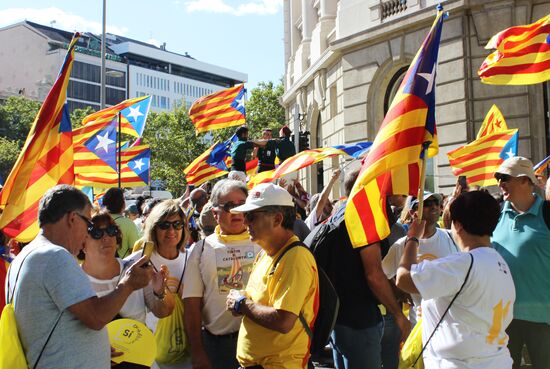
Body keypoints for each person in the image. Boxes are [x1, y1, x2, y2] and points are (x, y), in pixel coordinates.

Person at [6, 185, 152, 369]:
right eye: (89, 225)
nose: (87, 234)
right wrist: (128, 284)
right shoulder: (54, 256)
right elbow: (96, 317)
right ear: (72, 218)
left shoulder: (26, 255)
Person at [396, 190, 515, 369]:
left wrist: (412, 238)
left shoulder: (462, 263)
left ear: (458, 225)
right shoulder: (500, 262)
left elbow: (404, 279)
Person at [323, 169, 410, 369]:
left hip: (339, 319)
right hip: (360, 322)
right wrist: (398, 314)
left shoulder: (339, 215)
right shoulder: (362, 218)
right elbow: (374, 275)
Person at [227, 183, 319, 369]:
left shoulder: (295, 257)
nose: (245, 223)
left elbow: (284, 321)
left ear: (277, 219)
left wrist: (242, 304)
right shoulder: (265, 253)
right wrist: (242, 302)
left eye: (251, 216)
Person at [183, 179, 261, 369]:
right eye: (228, 206)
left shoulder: (264, 243)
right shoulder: (201, 250)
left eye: (241, 204)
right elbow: (191, 304)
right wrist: (198, 351)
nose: (235, 211)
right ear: (215, 213)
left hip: (260, 343)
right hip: (218, 347)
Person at [491, 156, 550, 369]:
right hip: (503, 319)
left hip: (543, 319)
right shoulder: (495, 215)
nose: (500, 184)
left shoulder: (547, 213)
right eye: (498, 178)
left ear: (526, 180)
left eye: (505, 177)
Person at [128, 199, 192, 369]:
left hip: (187, 350)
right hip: (149, 352)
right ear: (153, 228)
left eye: (177, 224)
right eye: (164, 225)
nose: (171, 230)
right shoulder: (139, 261)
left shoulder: (192, 258)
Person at [82, 211, 174, 324]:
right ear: (82, 243)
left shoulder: (135, 270)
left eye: (111, 231)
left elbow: (164, 312)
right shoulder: (74, 280)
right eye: (96, 233)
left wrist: (160, 292)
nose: (106, 237)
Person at [103, 187, 140, 259]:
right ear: (123, 204)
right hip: (122, 266)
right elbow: (134, 251)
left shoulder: (98, 221)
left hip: (100, 266)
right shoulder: (128, 224)